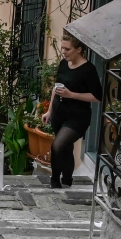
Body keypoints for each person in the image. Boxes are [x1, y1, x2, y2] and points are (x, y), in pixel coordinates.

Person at [43, 32, 103, 188]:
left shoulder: (88, 69)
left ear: (79, 49)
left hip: (77, 117)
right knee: (66, 148)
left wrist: (71, 94)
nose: (64, 52)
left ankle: (54, 182)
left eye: (67, 49)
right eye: (63, 48)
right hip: (58, 113)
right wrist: (49, 111)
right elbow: (55, 89)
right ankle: (67, 180)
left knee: (58, 145)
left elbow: (97, 97)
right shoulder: (64, 64)